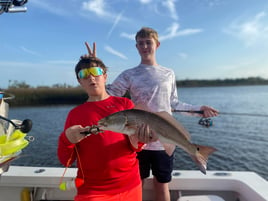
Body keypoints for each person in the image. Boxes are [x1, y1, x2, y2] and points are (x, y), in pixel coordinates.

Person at [84, 27, 219, 201]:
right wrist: (95, 67)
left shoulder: (168, 73)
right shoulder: (129, 74)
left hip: (165, 141)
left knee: (162, 184)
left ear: (157, 44)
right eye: (141, 43)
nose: (145, 46)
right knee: (135, 183)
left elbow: (174, 103)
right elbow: (107, 95)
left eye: (148, 42)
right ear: (136, 47)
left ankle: (197, 152)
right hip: (136, 140)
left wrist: (200, 110)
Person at [57, 56, 157, 201]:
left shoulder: (124, 104)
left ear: (104, 76)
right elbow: (65, 160)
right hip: (93, 191)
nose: (91, 77)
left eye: (95, 71)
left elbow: (135, 147)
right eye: (84, 74)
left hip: (130, 184)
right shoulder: (75, 114)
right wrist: (66, 139)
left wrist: (142, 139)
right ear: (80, 81)